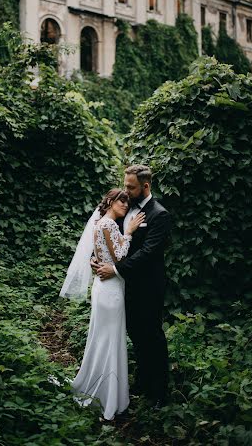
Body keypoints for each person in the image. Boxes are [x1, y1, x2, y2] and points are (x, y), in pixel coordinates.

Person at [59, 188, 145, 421]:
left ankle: (104, 390)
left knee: (105, 339)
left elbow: (102, 255)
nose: (126, 205)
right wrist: (128, 232)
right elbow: (118, 257)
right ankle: (108, 397)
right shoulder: (108, 225)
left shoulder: (100, 222)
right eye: (122, 201)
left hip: (105, 287)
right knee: (110, 341)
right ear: (110, 202)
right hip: (110, 291)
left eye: (128, 201)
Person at [95, 165, 171, 407]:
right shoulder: (125, 209)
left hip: (149, 287)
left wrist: (115, 270)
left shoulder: (160, 214)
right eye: (125, 185)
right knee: (135, 335)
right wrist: (97, 259)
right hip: (125, 287)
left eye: (131, 187)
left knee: (153, 337)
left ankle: (160, 393)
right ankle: (142, 381)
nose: (126, 191)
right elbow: (111, 242)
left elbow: (148, 253)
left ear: (145, 186)